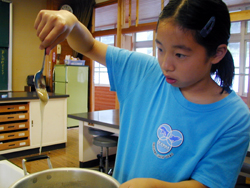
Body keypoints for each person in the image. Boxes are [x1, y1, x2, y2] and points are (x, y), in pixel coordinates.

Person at [34, 0, 250, 187]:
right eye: (160, 49)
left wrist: (156, 186)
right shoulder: (145, 71)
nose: (166, 64)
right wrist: (70, 21)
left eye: (180, 55)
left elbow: (209, 183)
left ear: (217, 53)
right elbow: (89, 45)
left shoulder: (233, 117)